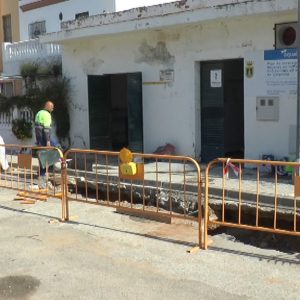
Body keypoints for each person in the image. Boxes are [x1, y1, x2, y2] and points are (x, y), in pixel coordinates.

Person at [34, 101, 54, 179]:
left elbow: (37, 127)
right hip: (44, 138)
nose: (53, 108)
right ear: (47, 106)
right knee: (52, 150)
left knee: (41, 154)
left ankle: (41, 172)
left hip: (39, 138)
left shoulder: (39, 113)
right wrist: (48, 141)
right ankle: (44, 173)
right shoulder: (47, 115)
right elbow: (46, 129)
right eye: (52, 106)